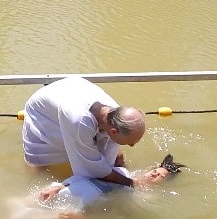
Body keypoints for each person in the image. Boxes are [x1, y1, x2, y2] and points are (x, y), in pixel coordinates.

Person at [22, 76, 146, 187]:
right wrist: (133, 183)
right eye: (130, 142)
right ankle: (28, 187)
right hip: (43, 111)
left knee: (116, 158)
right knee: (38, 162)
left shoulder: (116, 113)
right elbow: (93, 170)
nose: (131, 146)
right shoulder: (79, 121)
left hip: (74, 90)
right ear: (113, 131)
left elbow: (104, 166)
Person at [38, 154, 186, 218]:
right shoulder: (128, 174)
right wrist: (62, 186)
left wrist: (83, 217)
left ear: (163, 184)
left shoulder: (145, 195)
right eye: (155, 171)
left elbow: (114, 210)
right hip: (68, 191)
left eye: (160, 176)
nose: (154, 174)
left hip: (79, 206)